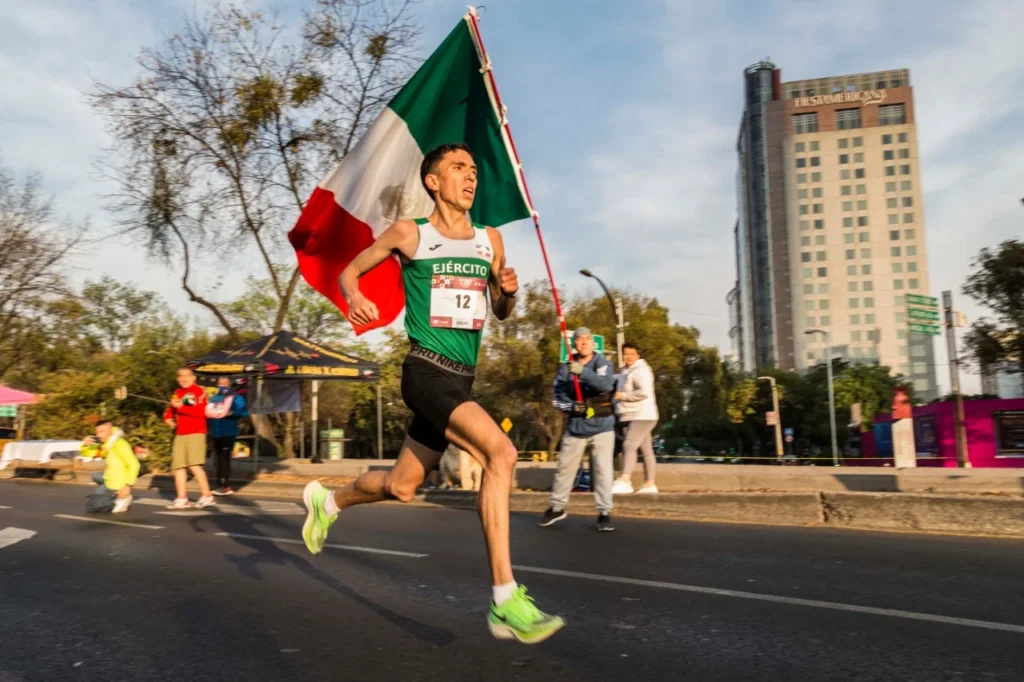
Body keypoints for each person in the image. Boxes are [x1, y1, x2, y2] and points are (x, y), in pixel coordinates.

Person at [299, 143, 564, 644]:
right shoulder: (409, 234)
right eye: (458, 169)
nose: (470, 178)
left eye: (472, 170)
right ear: (433, 182)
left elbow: (501, 310)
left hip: (461, 378)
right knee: (500, 453)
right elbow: (349, 271)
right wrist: (355, 294)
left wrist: (507, 290)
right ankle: (505, 600)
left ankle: (328, 502)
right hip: (425, 372)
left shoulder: (491, 240)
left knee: (402, 485)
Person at [539, 327, 617, 532]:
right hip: (576, 427)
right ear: (574, 344)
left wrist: (583, 372)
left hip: (602, 426)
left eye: (587, 340)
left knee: (602, 471)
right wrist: (572, 406)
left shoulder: (603, 364)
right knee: (564, 469)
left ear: (593, 343)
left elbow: (605, 385)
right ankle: (556, 507)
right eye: (579, 340)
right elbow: (557, 398)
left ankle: (604, 513)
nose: (583, 343)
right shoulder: (565, 368)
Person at [162, 367, 216, 509]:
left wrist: (180, 408)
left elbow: (201, 412)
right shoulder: (177, 393)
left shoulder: (199, 392)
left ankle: (207, 495)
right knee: (178, 466)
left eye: (187, 376)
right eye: (181, 376)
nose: (184, 378)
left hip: (196, 432)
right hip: (180, 433)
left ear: (193, 378)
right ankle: (182, 498)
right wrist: (168, 419)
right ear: (177, 379)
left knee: (194, 465)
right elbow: (170, 410)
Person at [612, 342, 660, 494]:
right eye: (626, 353)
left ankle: (625, 480)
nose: (628, 357)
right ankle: (650, 484)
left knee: (629, 446)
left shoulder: (640, 370)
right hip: (634, 414)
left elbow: (644, 392)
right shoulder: (626, 371)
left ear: (638, 355)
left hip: (642, 414)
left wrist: (623, 396)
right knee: (646, 450)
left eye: (632, 354)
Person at [80, 420, 140, 514]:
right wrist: (85, 445)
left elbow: (134, 464)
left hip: (117, 481)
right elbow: (89, 453)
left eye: (102, 431)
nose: (98, 435)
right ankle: (114, 495)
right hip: (111, 475)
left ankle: (121, 499)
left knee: (92, 506)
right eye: (97, 432)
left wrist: (127, 485)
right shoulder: (105, 443)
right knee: (95, 475)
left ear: (110, 431)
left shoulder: (119, 443)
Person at [205, 376, 248, 496]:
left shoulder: (235, 397)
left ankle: (226, 485)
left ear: (230, 385)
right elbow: (207, 411)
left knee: (225, 458)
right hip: (215, 432)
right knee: (217, 459)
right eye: (220, 383)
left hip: (228, 432)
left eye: (225, 383)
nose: (222, 385)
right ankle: (219, 484)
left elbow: (244, 411)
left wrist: (231, 412)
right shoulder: (214, 398)